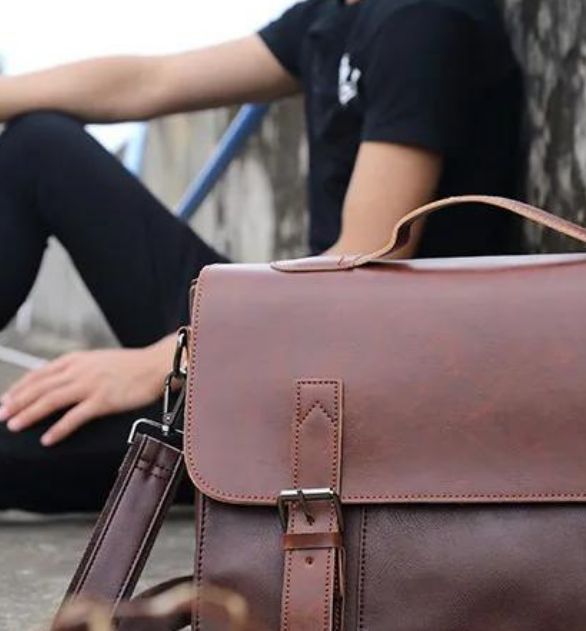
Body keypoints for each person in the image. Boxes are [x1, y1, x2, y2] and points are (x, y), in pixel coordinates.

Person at [0, 0, 522, 512]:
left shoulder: (423, 20)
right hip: (294, 339)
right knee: (38, 146)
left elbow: (361, 270)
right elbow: (149, 81)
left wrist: (167, 359)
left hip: (355, 403)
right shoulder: (330, 17)